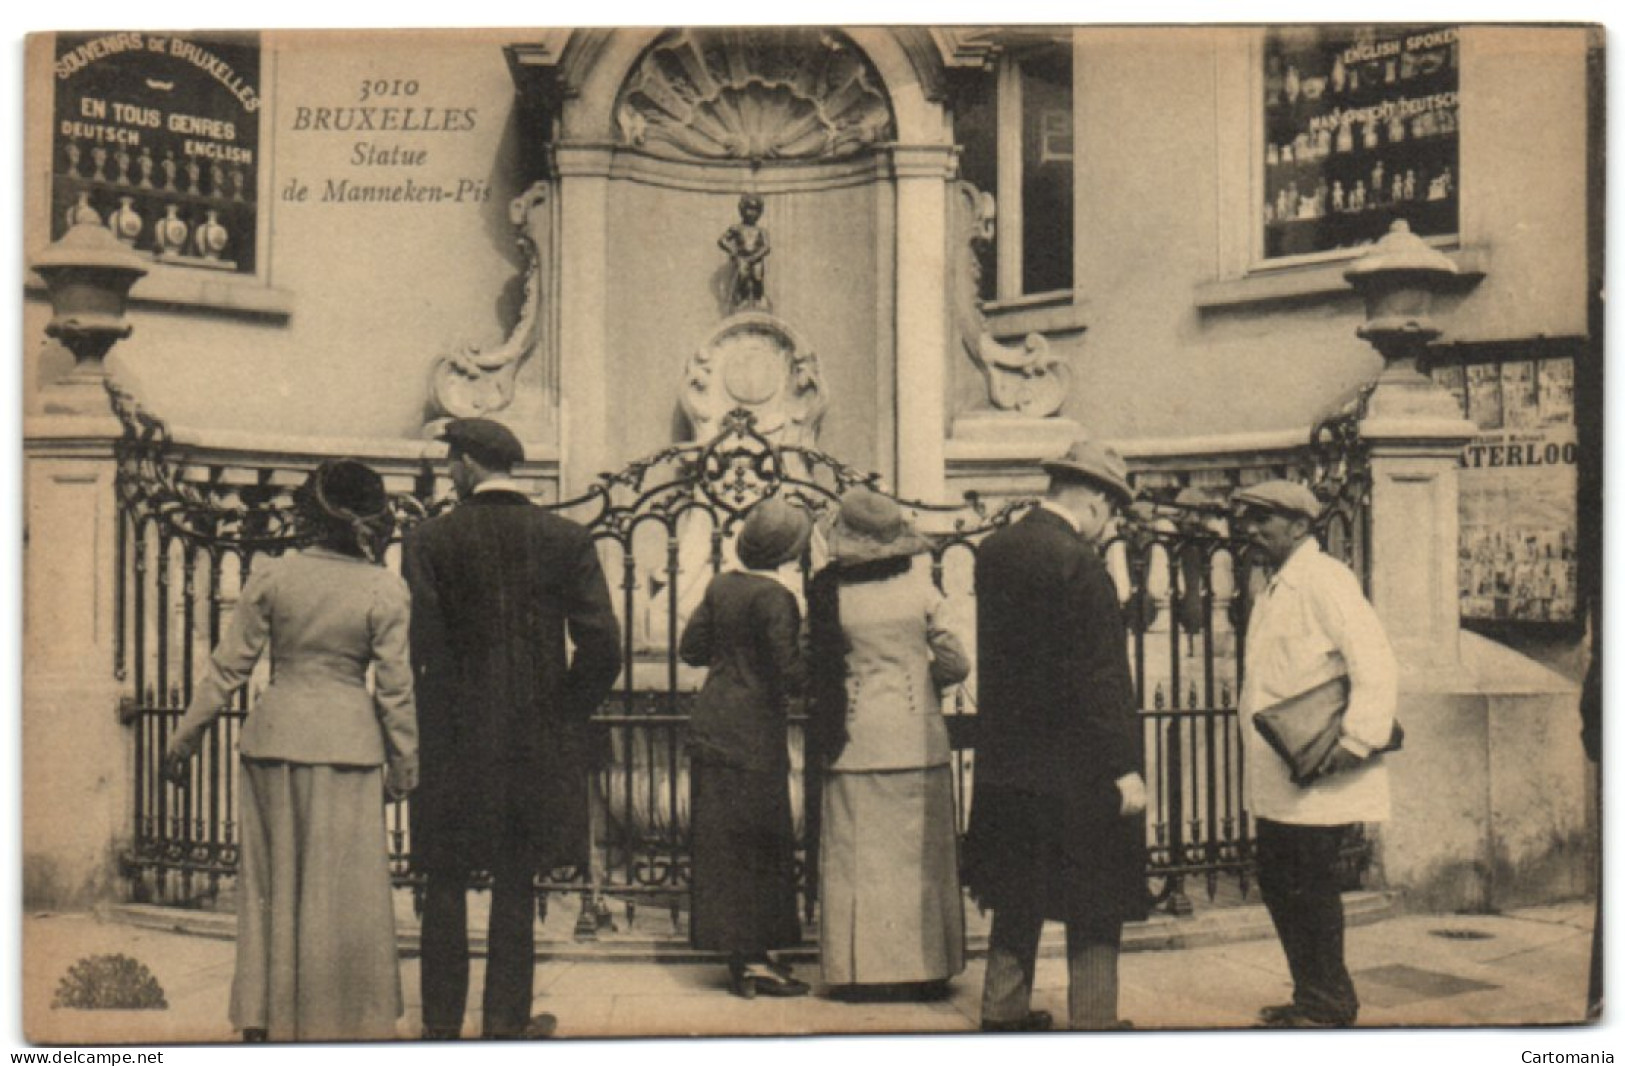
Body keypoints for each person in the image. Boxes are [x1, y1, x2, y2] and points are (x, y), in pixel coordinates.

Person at [162, 459, 418, 1042]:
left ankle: (267, 1016)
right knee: (344, 890)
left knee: (271, 886)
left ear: (310, 513)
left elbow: (228, 669)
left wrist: (187, 734)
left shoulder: (273, 577)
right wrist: (405, 762)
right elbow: (397, 690)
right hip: (349, 745)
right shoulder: (384, 586)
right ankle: (341, 1020)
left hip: (273, 741)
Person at [403, 417, 621, 1040]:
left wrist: (438, 718)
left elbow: (421, 646)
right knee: (516, 883)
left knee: (442, 881)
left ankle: (441, 1030)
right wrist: (562, 712)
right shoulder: (566, 538)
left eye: (452, 461)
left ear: (468, 465)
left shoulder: (428, 541)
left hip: (451, 741)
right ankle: (504, 1027)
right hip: (533, 742)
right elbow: (604, 648)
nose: (448, 470)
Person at [963, 438, 1148, 1032]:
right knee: (1096, 898)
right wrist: (1124, 767)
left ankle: (1001, 1009)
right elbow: (1100, 679)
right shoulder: (1081, 566)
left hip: (1009, 764)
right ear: (1094, 498)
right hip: (1078, 769)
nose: (1110, 523)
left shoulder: (996, 551)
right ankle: (1094, 1021)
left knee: (1018, 890)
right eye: (1112, 509)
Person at [1231, 479, 1399, 1029]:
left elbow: (1374, 661)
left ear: (1301, 525)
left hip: (1319, 773)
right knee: (1283, 887)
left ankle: (1328, 1005)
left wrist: (1355, 741)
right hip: (1281, 773)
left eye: (1264, 519)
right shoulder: (1278, 585)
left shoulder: (1326, 581)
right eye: (1250, 518)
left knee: (1310, 891)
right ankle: (1313, 997)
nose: (1251, 529)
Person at [806, 487, 970, 999]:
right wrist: (923, 683)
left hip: (852, 739)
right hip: (916, 736)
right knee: (918, 860)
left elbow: (812, 663)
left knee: (856, 861)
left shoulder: (830, 594)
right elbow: (957, 663)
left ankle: (858, 971)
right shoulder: (920, 591)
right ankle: (923, 967)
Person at [678, 496, 812, 998]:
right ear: (789, 550)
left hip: (713, 724)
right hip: (754, 735)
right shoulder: (778, 599)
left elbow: (689, 650)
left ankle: (742, 956)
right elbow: (788, 674)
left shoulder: (720, 586)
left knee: (723, 846)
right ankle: (756, 959)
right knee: (761, 845)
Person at [719, 193, 770, 310]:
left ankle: (758, 298)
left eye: (755, 210)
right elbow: (722, 240)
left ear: (759, 212)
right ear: (742, 209)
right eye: (749, 208)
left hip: (756, 258)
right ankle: (742, 299)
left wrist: (756, 256)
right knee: (743, 274)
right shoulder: (737, 228)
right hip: (742, 257)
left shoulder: (761, 231)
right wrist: (733, 251)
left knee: (757, 275)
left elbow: (767, 247)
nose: (751, 213)